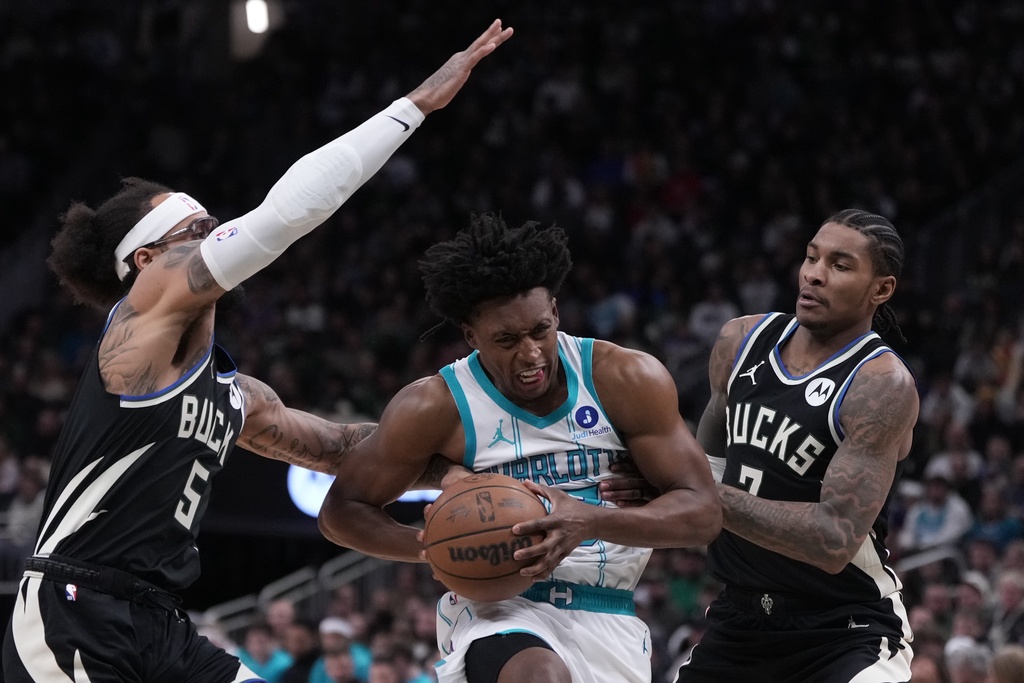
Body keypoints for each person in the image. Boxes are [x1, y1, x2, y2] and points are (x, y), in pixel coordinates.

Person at [1, 20, 513, 683]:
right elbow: (282, 217)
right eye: (199, 230)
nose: (218, 238)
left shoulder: (237, 396)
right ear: (146, 260)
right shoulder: (137, 329)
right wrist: (413, 106)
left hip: (159, 623)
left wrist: (478, 461)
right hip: (74, 610)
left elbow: (344, 449)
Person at [318, 214, 721, 683]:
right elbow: (341, 512)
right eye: (506, 340)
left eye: (540, 330)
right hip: (500, 611)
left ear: (555, 311)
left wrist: (591, 520)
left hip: (610, 613)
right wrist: (440, 549)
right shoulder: (436, 404)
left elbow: (703, 512)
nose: (530, 354)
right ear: (471, 336)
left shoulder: (624, 378)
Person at [675, 209, 919, 682]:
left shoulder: (881, 385)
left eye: (840, 265)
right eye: (811, 257)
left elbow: (832, 540)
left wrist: (697, 493)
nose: (814, 274)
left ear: (881, 290)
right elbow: (702, 473)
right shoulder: (740, 340)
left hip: (845, 630)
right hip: (739, 622)